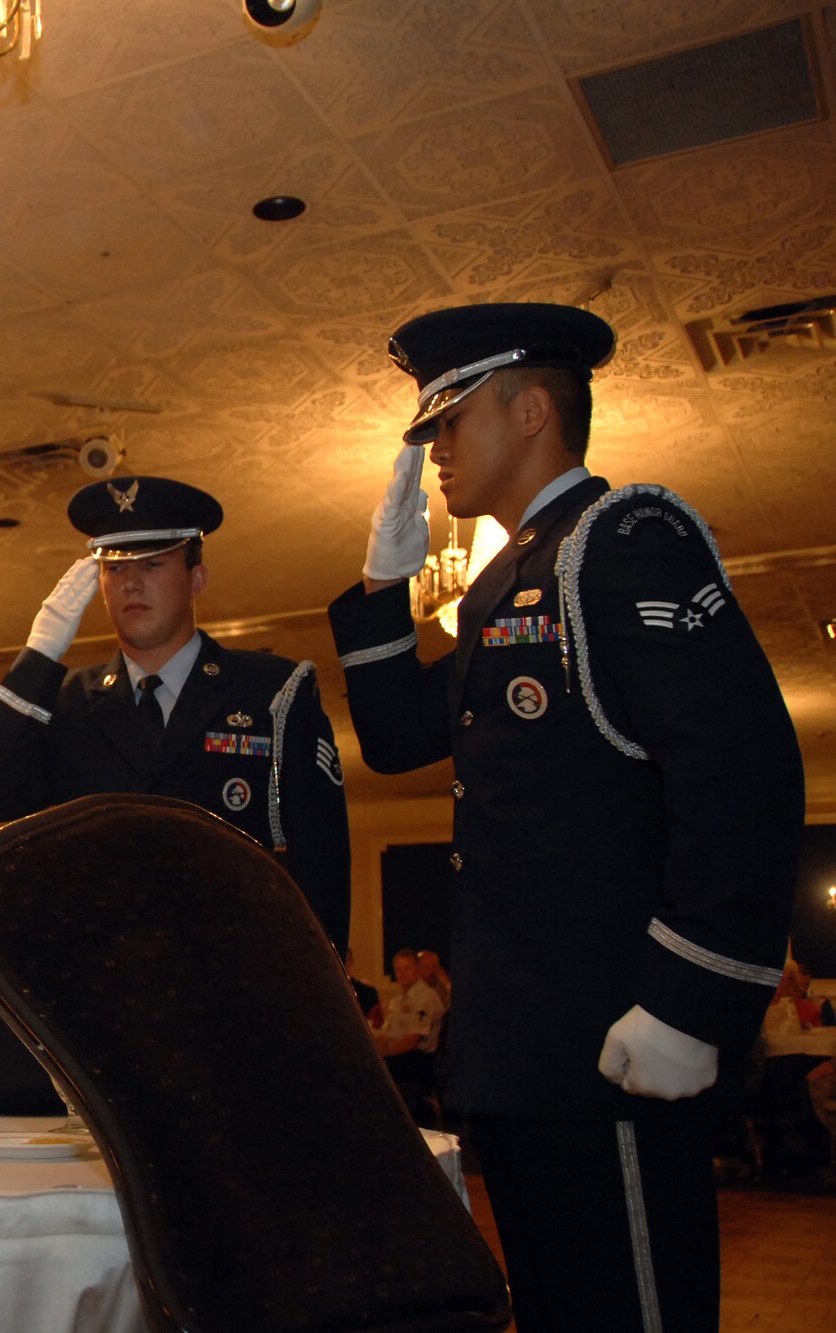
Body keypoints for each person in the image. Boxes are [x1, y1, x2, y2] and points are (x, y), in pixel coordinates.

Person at [329, 302, 802, 1332]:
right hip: (523, 1050)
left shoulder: (619, 541)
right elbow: (400, 738)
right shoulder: (504, 582)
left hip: (614, 1039)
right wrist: (379, 588)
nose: (434, 451)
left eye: (448, 422)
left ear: (532, 406)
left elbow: (741, 776)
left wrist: (688, 1000)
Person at [0, 475, 350, 948]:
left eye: (153, 564)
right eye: (113, 569)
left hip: (235, 982)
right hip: (98, 987)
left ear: (196, 578)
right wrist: (39, 656)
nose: (130, 582)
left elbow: (323, 864)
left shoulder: (271, 692)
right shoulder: (68, 699)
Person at [373, 948, 444, 1076]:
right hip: (403, 1057)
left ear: (418, 970)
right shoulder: (399, 1001)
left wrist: (382, 1055)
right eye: (399, 969)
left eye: (407, 968)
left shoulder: (425, 998)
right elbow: (389, 1033)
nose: (402, 974)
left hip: (418, 1061)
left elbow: (411, 1041)